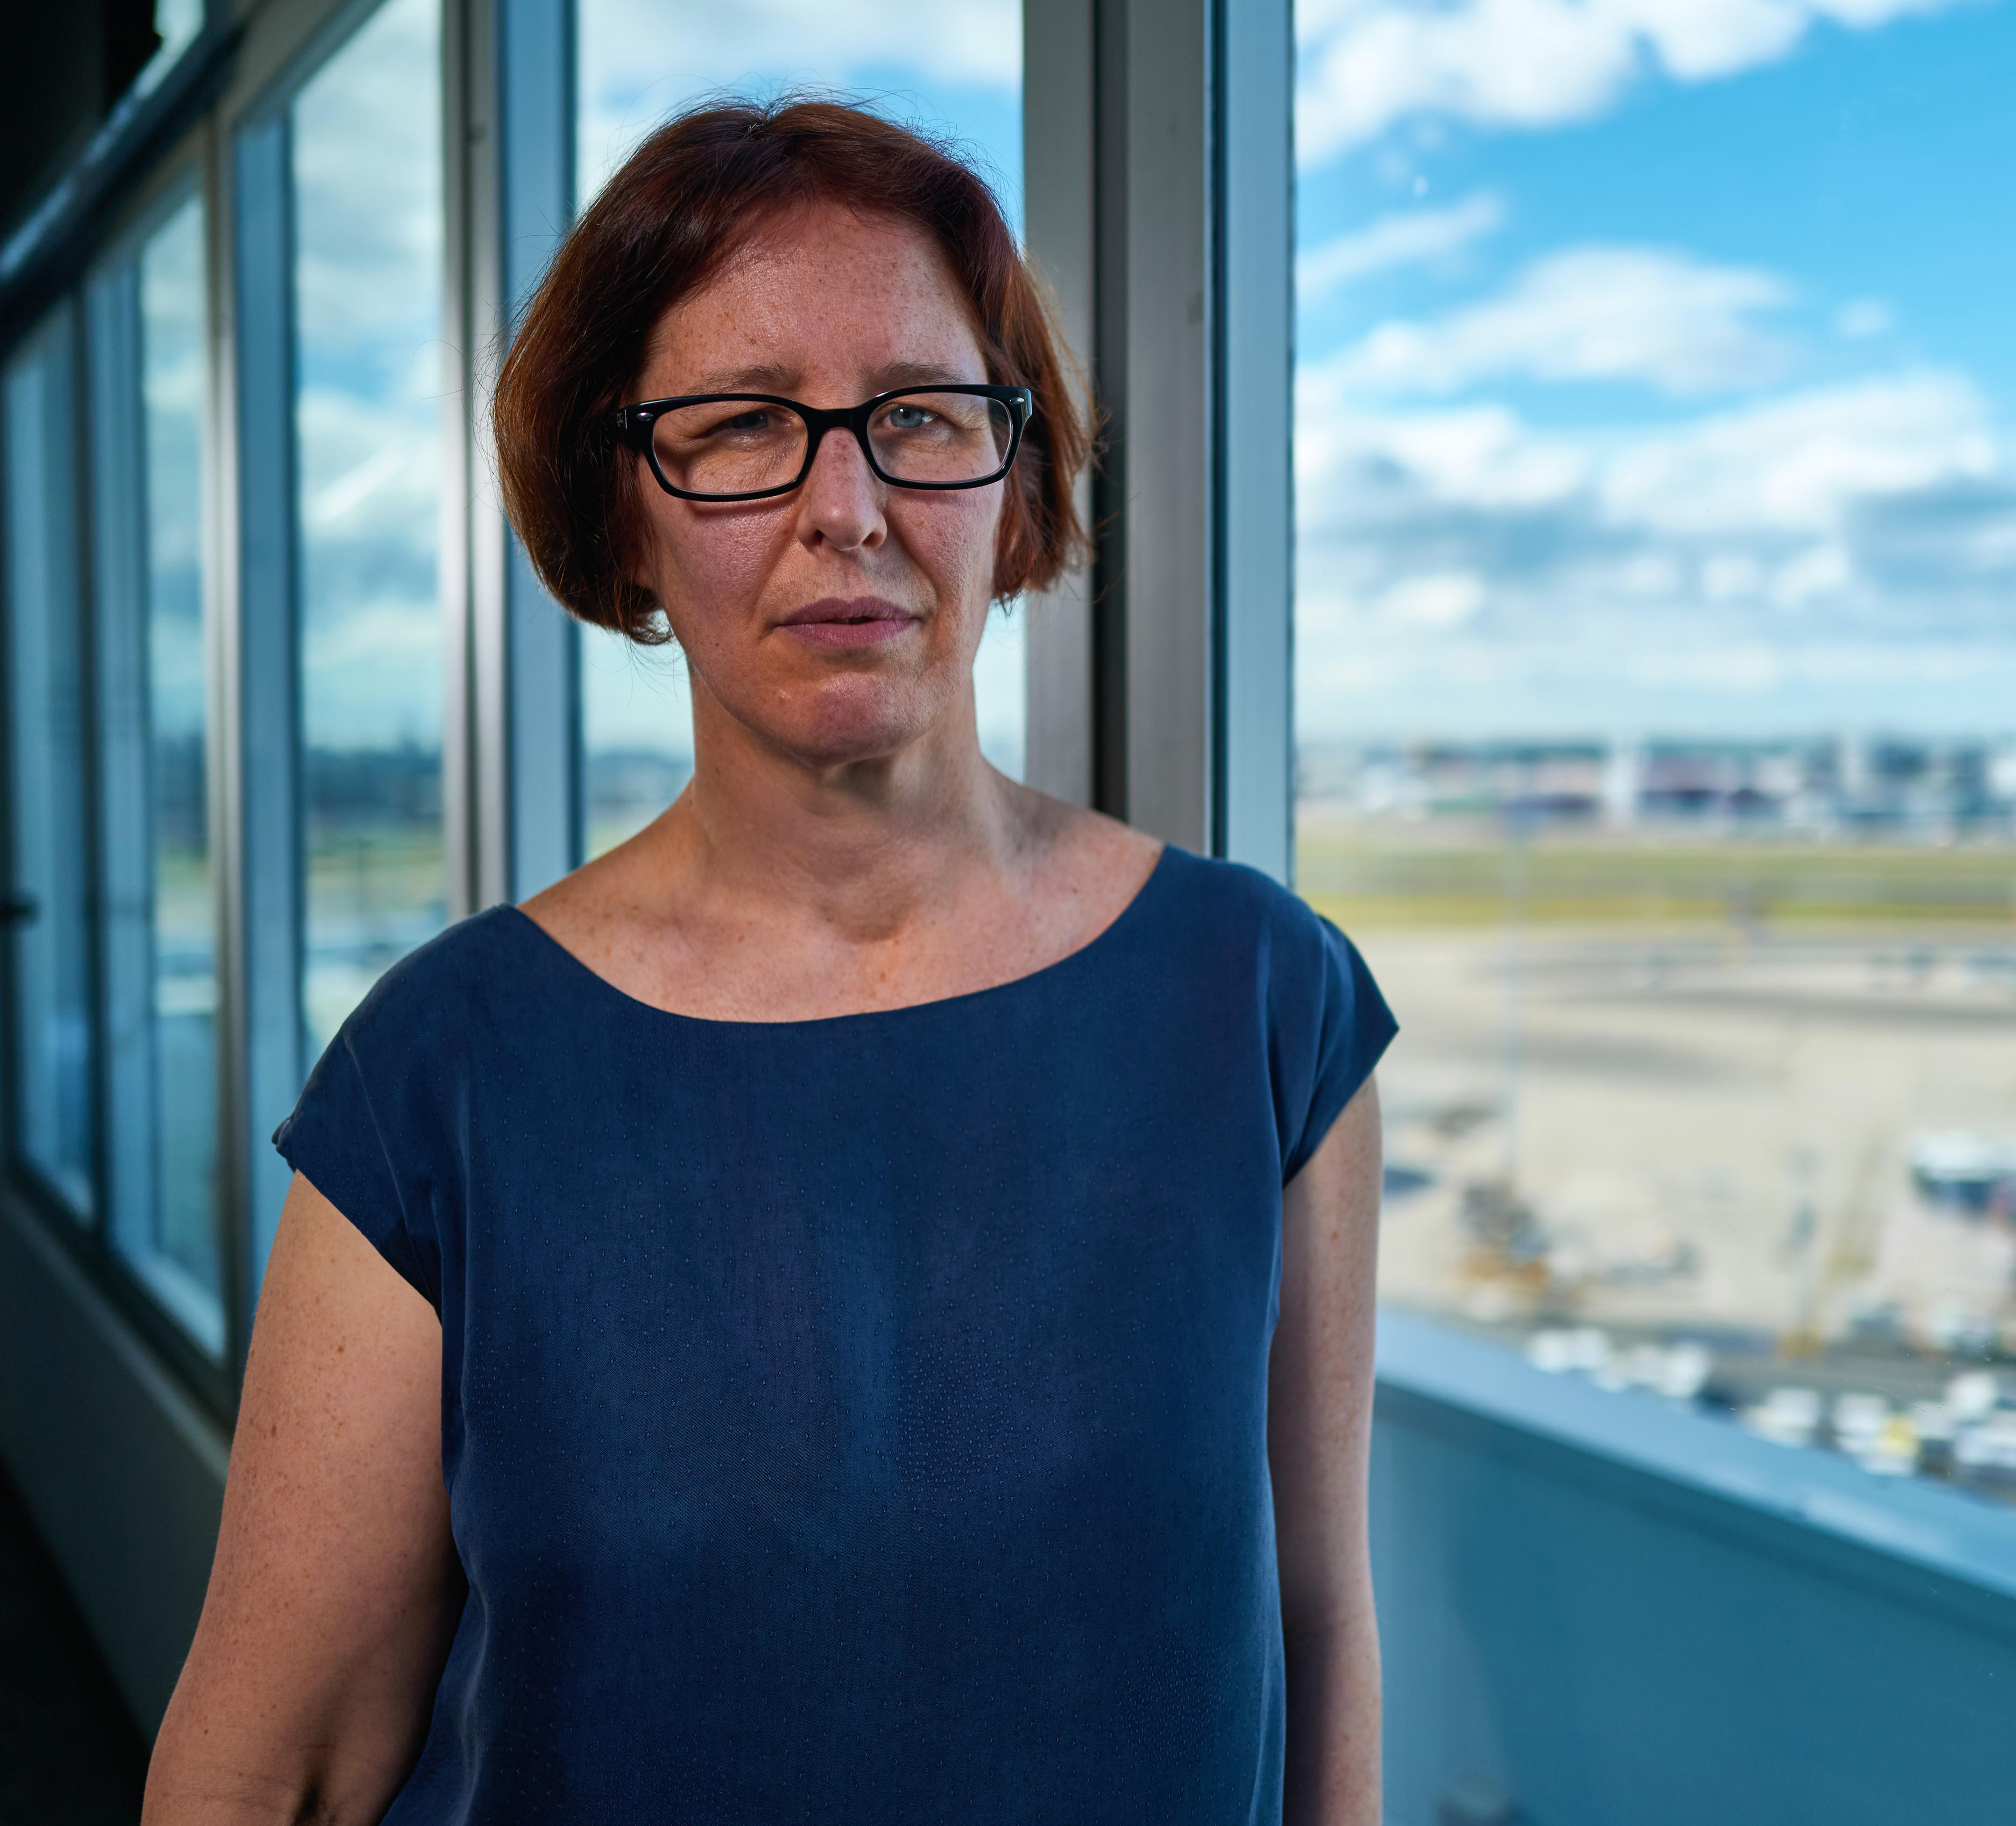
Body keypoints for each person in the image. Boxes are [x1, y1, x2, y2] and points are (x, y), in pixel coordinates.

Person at [143, 98, 1392, 1825]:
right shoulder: (442, 1074)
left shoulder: (1268, 1004)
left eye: (919, 416)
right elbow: (272, 1770)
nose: (848, 504)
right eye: (740, 429)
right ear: (624, 507)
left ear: (1015, 478)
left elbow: (1320, 1633)